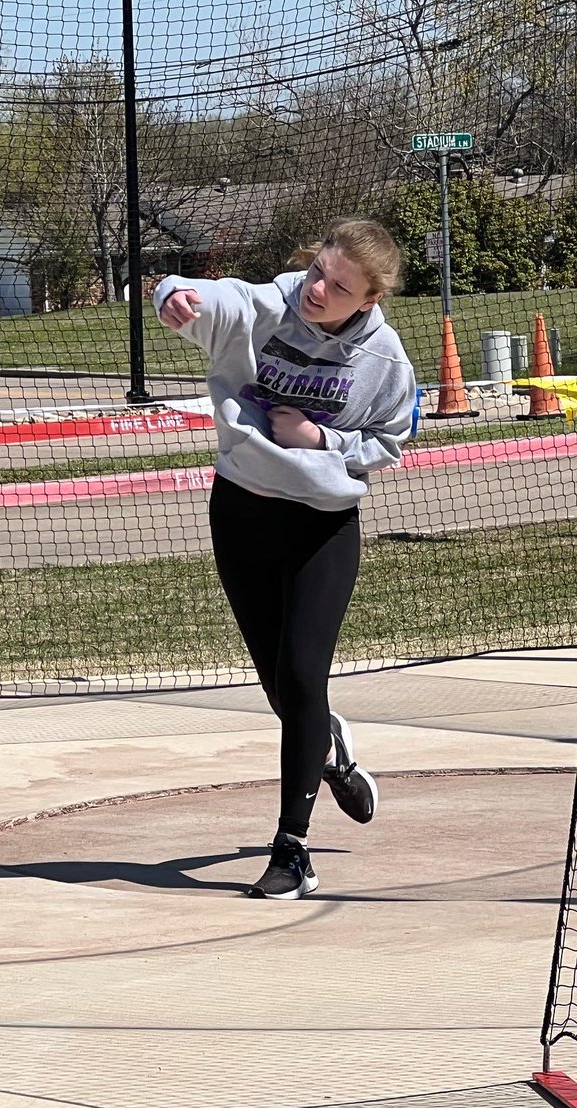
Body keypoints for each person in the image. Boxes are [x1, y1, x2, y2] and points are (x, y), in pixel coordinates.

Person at [154, 218, 416, 899]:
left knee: (303, 676)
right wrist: (172, 295)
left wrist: (318, 438)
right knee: (281, 689)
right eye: (319, 270)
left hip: (322, 527)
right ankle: (329, 751)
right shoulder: (270, 304)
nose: (319, 288)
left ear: (367, 298)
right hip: (240, 511)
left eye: (339, 286)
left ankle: (290, 849)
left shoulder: (384, 361)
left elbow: (388, 441)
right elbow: (204, 296)